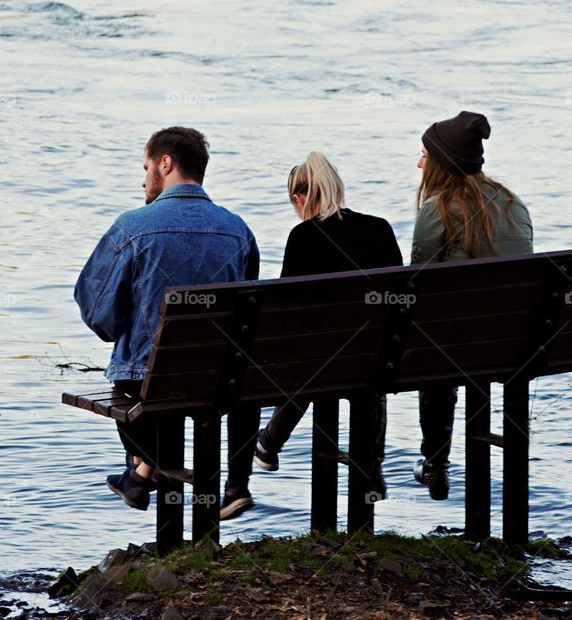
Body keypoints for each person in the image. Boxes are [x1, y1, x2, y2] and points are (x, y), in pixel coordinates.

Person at [74, 127, 260, 516]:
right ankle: (151, 478)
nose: (143, 180)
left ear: (165, 163)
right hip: (221, 379)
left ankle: (143, 470)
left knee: (129, 375)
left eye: (146, 168)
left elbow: (97, 313)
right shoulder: (238, 231)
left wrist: (123, 327)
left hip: (148, 381)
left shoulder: (132, 227)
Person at [252, 151, 402, 497]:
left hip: (319, 364)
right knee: (361, 366)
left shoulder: (303, 236)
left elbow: (288, 310)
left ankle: (269, 442)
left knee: (311, 357)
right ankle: (371, 468)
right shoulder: (379, 228)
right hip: (376, 358)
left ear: (299, 198)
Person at [411, 111, 533, 500]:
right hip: (517, 344)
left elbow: (417, 282)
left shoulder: (438, 208)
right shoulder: (513, 203)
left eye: (424, 156)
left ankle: (435, 460)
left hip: (457, 350)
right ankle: (505, 512)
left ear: (441, 163)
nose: (419, 164)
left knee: (433, 341)